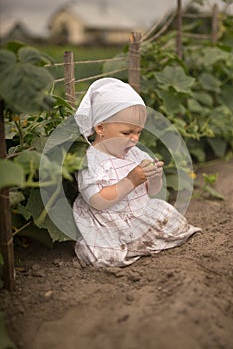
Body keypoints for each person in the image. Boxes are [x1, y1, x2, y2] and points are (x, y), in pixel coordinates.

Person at [73, 77, 201, 267]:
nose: (134, 139)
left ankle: (138, 244)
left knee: (168, 215)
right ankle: (136, 245)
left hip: (137, 213)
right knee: (101, 254)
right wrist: (131, 181)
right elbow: (97, 201)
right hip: (108, 221)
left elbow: (152, 192)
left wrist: (154, 177)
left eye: (139, 132)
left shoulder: (135, 153)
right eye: (126, 133)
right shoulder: (91, 161)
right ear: (100, 128)